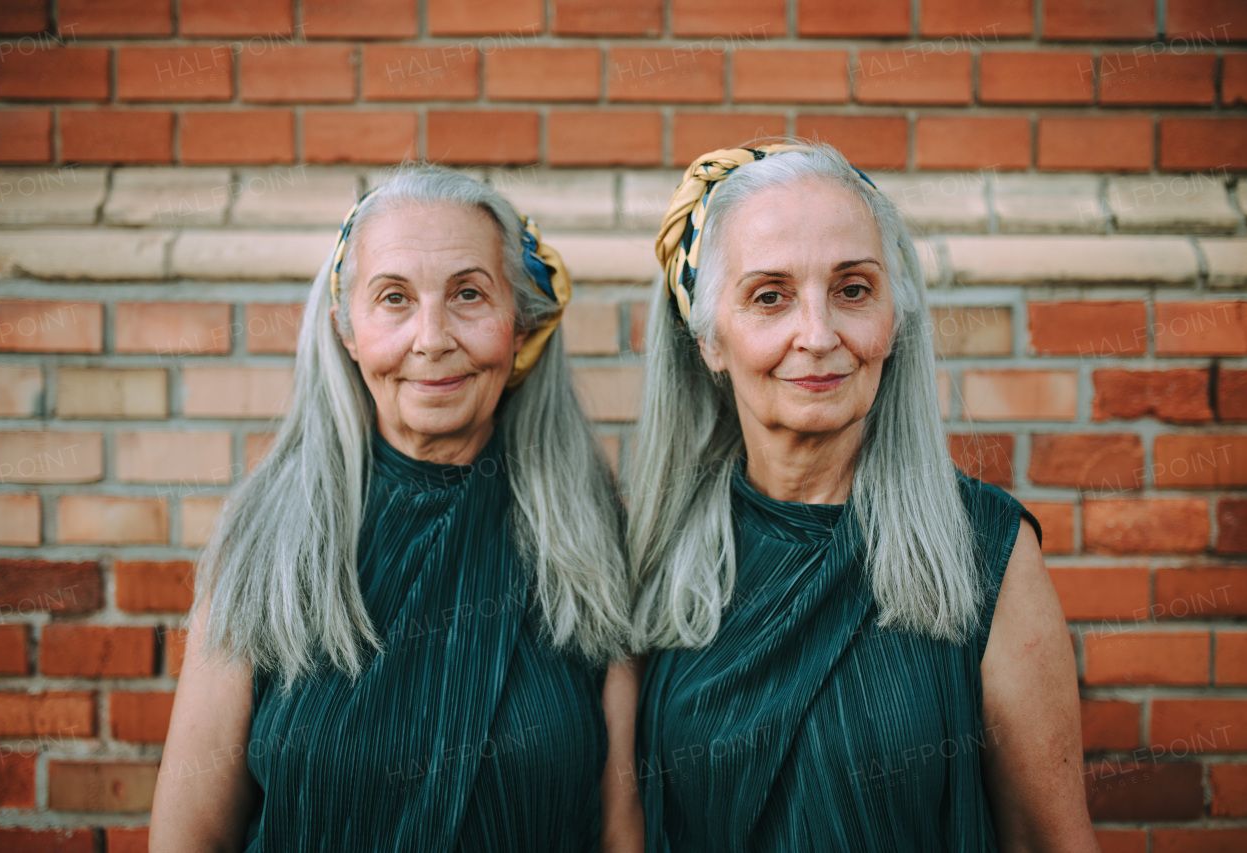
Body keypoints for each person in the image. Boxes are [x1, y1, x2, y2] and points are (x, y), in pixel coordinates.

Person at [150, 164, 642, 851]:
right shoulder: (268, 540)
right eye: (393, 298)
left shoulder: (590, 542)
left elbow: (624, 834)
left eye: (469, 293)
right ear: (346, 328)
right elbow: (189, 837)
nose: (432, 337)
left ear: (518, 325)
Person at [628, 142, 1099, 851]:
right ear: (709, 341)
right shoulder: (650, 555)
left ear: (894, 320)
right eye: (769, 296)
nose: (818, 336)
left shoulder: (985, 549)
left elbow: (1047, 838)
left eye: (853, 289)